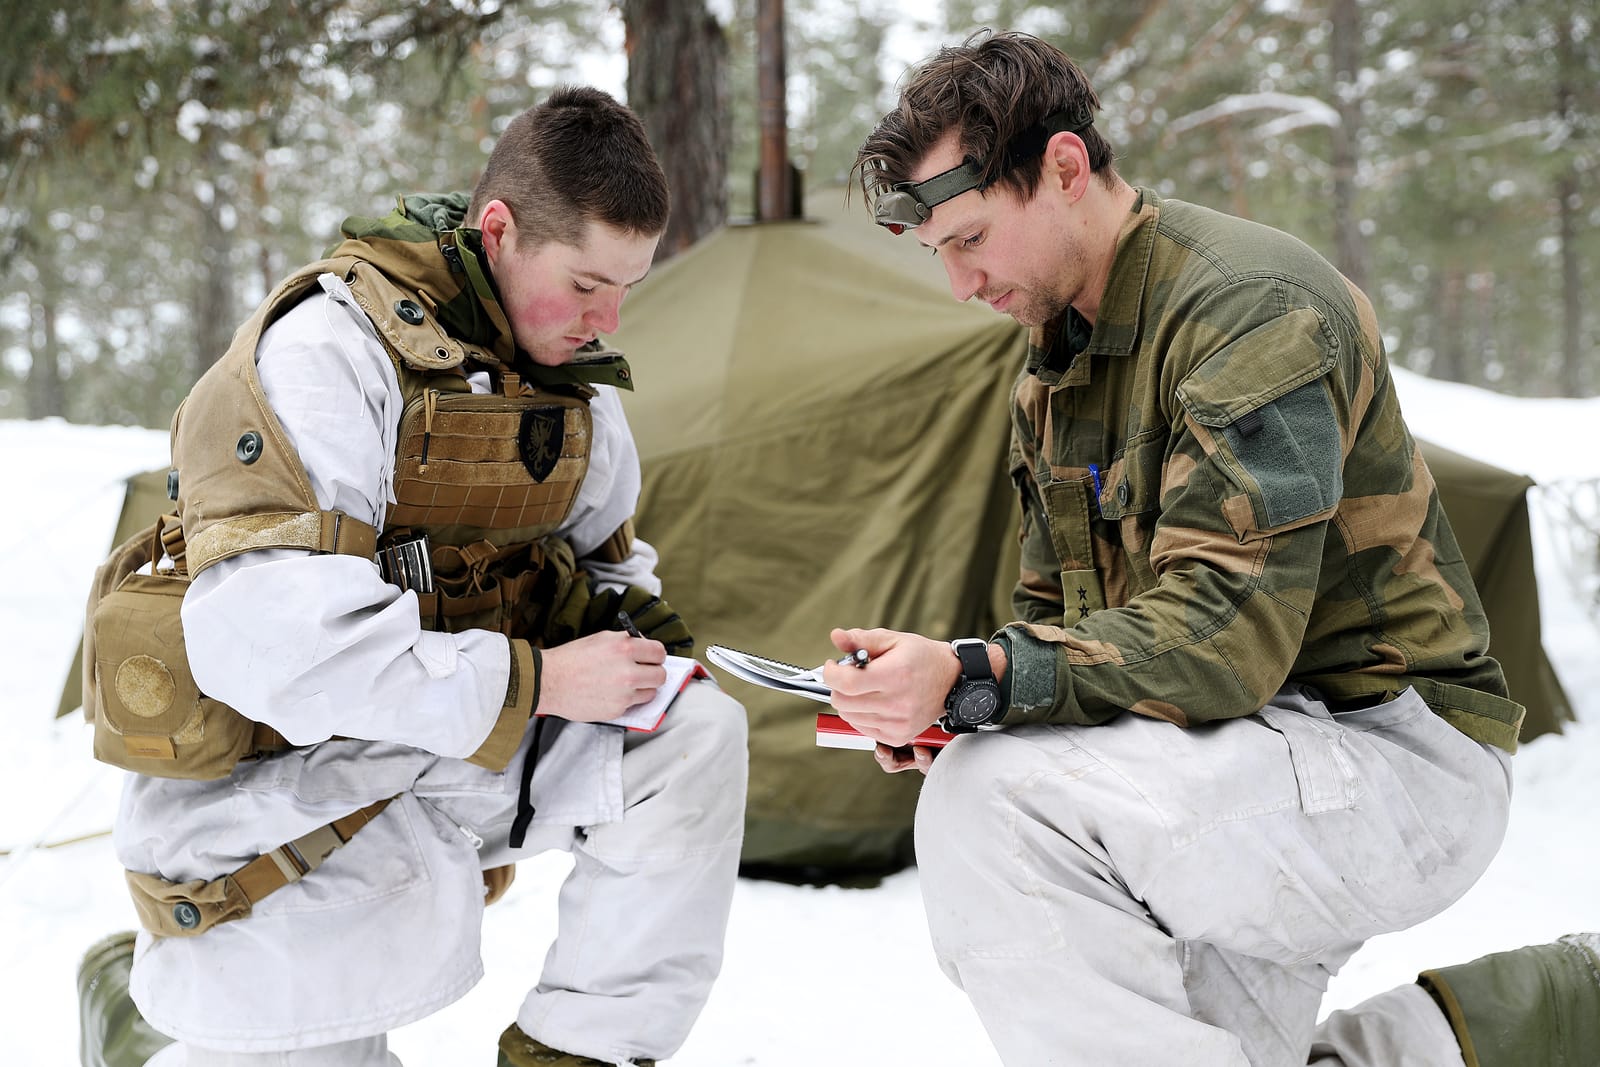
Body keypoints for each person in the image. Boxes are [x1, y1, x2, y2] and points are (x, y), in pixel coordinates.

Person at [825, 30, 1597, 1067]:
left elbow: (1229, 635)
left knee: (994, 809)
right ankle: (1550, 1011)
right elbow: (1061, 623)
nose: (961, 284)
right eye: (939, 254)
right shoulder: (1053, 377)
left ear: (1064, 168)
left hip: (1392, 754)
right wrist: (965, 703)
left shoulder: (1246, 308)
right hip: (1228, 756)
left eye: (970, 239)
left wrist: (987, 676)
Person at [82, 86, 748, 1067]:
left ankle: (574, 1053)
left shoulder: (563, 381)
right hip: (282, 782)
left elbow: (609, 566)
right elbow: (279, 650)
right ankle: (131, 1026)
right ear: (500, 231)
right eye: (585, 283)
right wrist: (540, 682)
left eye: (625, 288)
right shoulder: (327, 352)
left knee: (690, 736)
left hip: (455, 747)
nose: (606, 318)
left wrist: (636, 635)